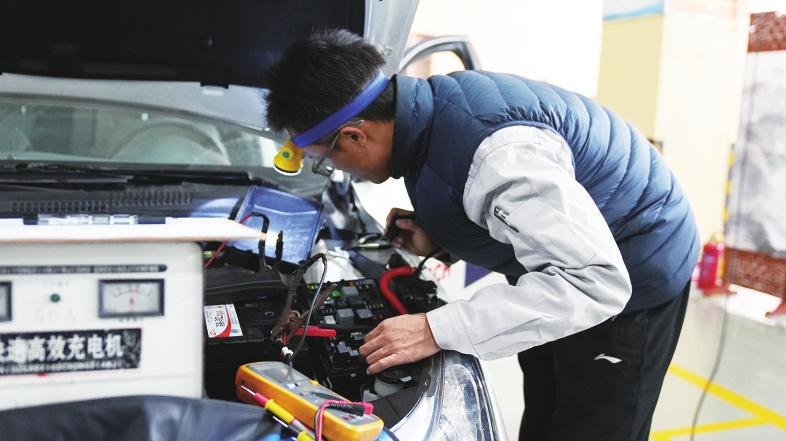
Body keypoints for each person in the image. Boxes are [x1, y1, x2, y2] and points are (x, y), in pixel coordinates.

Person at [264, 29, 700, 441]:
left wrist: (434, 329)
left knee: (590, 425)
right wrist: (442, 242)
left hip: (635, 262)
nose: (335, 170)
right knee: (546, 408)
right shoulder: (426, 117)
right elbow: (513, 212)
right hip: (564, 263)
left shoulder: (497, 155)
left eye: (325, 160)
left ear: (355, 135)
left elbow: (594, 282)